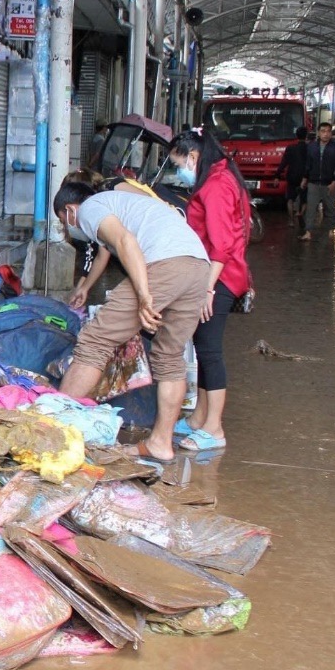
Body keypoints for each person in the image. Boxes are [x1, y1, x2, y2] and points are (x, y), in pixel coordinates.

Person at [54, 181, 211, 461]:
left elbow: (127, 242)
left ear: (69, 210)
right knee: (169, 355)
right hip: (199, 266)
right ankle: (160, 443)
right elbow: (110, 248)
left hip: (165, 263)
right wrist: (86, 287)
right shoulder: (122, 204)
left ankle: (53, 427)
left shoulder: (90, 207)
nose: (67, 229)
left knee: (95, 340)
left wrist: (143, 295)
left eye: (63, 222)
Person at [167, 131, 251, 451]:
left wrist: (207, 288)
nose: (180, 172)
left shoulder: (215, 185)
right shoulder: (221, 174)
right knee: (203, 348)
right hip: (222, 274)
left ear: (193, 156)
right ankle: (200, 418)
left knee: (211, 352)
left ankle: (214, 429)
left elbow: (222, 244)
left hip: (220, 277)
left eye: (180, 164)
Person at [302, 121, 335, 240]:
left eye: (328, 131)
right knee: (311, 208)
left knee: (330, 208)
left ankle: (331, 230)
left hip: (329, 183)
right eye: (323, 131)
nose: (325, 134)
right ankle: (308, 232)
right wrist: (305, 179)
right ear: (318, 133)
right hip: (314, 182)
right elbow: (308, 165)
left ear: (331, 133)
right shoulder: (312, 147)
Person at [276, 125, 309, 234]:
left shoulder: (290, 148)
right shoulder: (310, 148)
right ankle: (300, 214)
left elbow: (283, 163)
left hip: (292, 176)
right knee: (304, 199)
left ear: (296, 135)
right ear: (306, 136)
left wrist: (276, 175)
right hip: (305, 177)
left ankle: (291, 221)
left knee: (290, 199)